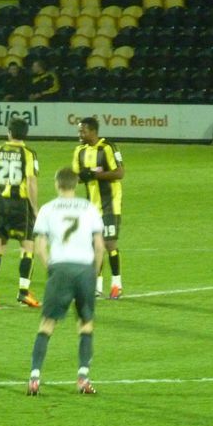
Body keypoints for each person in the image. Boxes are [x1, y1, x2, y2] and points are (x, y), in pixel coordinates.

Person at [26, 167, 105, 396]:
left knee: (47, 325)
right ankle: (82, 378)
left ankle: (34, 377)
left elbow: (40, 247)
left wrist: (50, 267)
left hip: (59, 268)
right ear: (76, 184)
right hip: (84, 269)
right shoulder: (89, 208)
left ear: (57, 184)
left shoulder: (47, 209)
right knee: (85, 324)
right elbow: (99, 246)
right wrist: (94, 271)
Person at [0, 117, 40, 308]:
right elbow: (30, 182)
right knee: (27, 247)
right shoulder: (29, 154)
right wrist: (35, 208)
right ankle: (23, 292)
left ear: (9, 132)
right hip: (20, 204)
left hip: (0, 203)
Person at [72, 116, 124, 299]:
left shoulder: (107, 147)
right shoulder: (79, 151)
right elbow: (77, 177)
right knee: (95, 245)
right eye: (79, 130)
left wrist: (93, 174)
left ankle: (117, 284)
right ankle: (97, 286)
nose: (80, 134)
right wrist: (81, 176)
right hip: (91, 206)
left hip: (110, 203)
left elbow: (119, 172)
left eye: (83, 131)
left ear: (93, 131)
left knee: (110, 243)